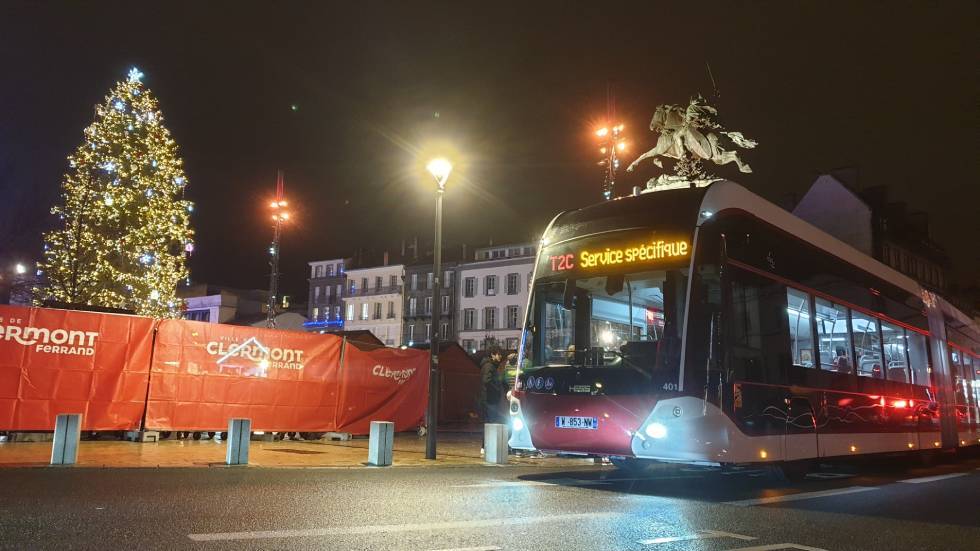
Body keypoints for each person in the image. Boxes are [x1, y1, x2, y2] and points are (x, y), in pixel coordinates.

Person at [478, 347, 504, 423]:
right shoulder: (489, 366)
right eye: (499, 354)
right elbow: (486, 380)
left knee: (490, 423)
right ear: (492, 355)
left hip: (490, 399)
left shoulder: (491, 366)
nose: (500, 356)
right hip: (490, 400)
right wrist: (497, 389)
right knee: (492, 423)